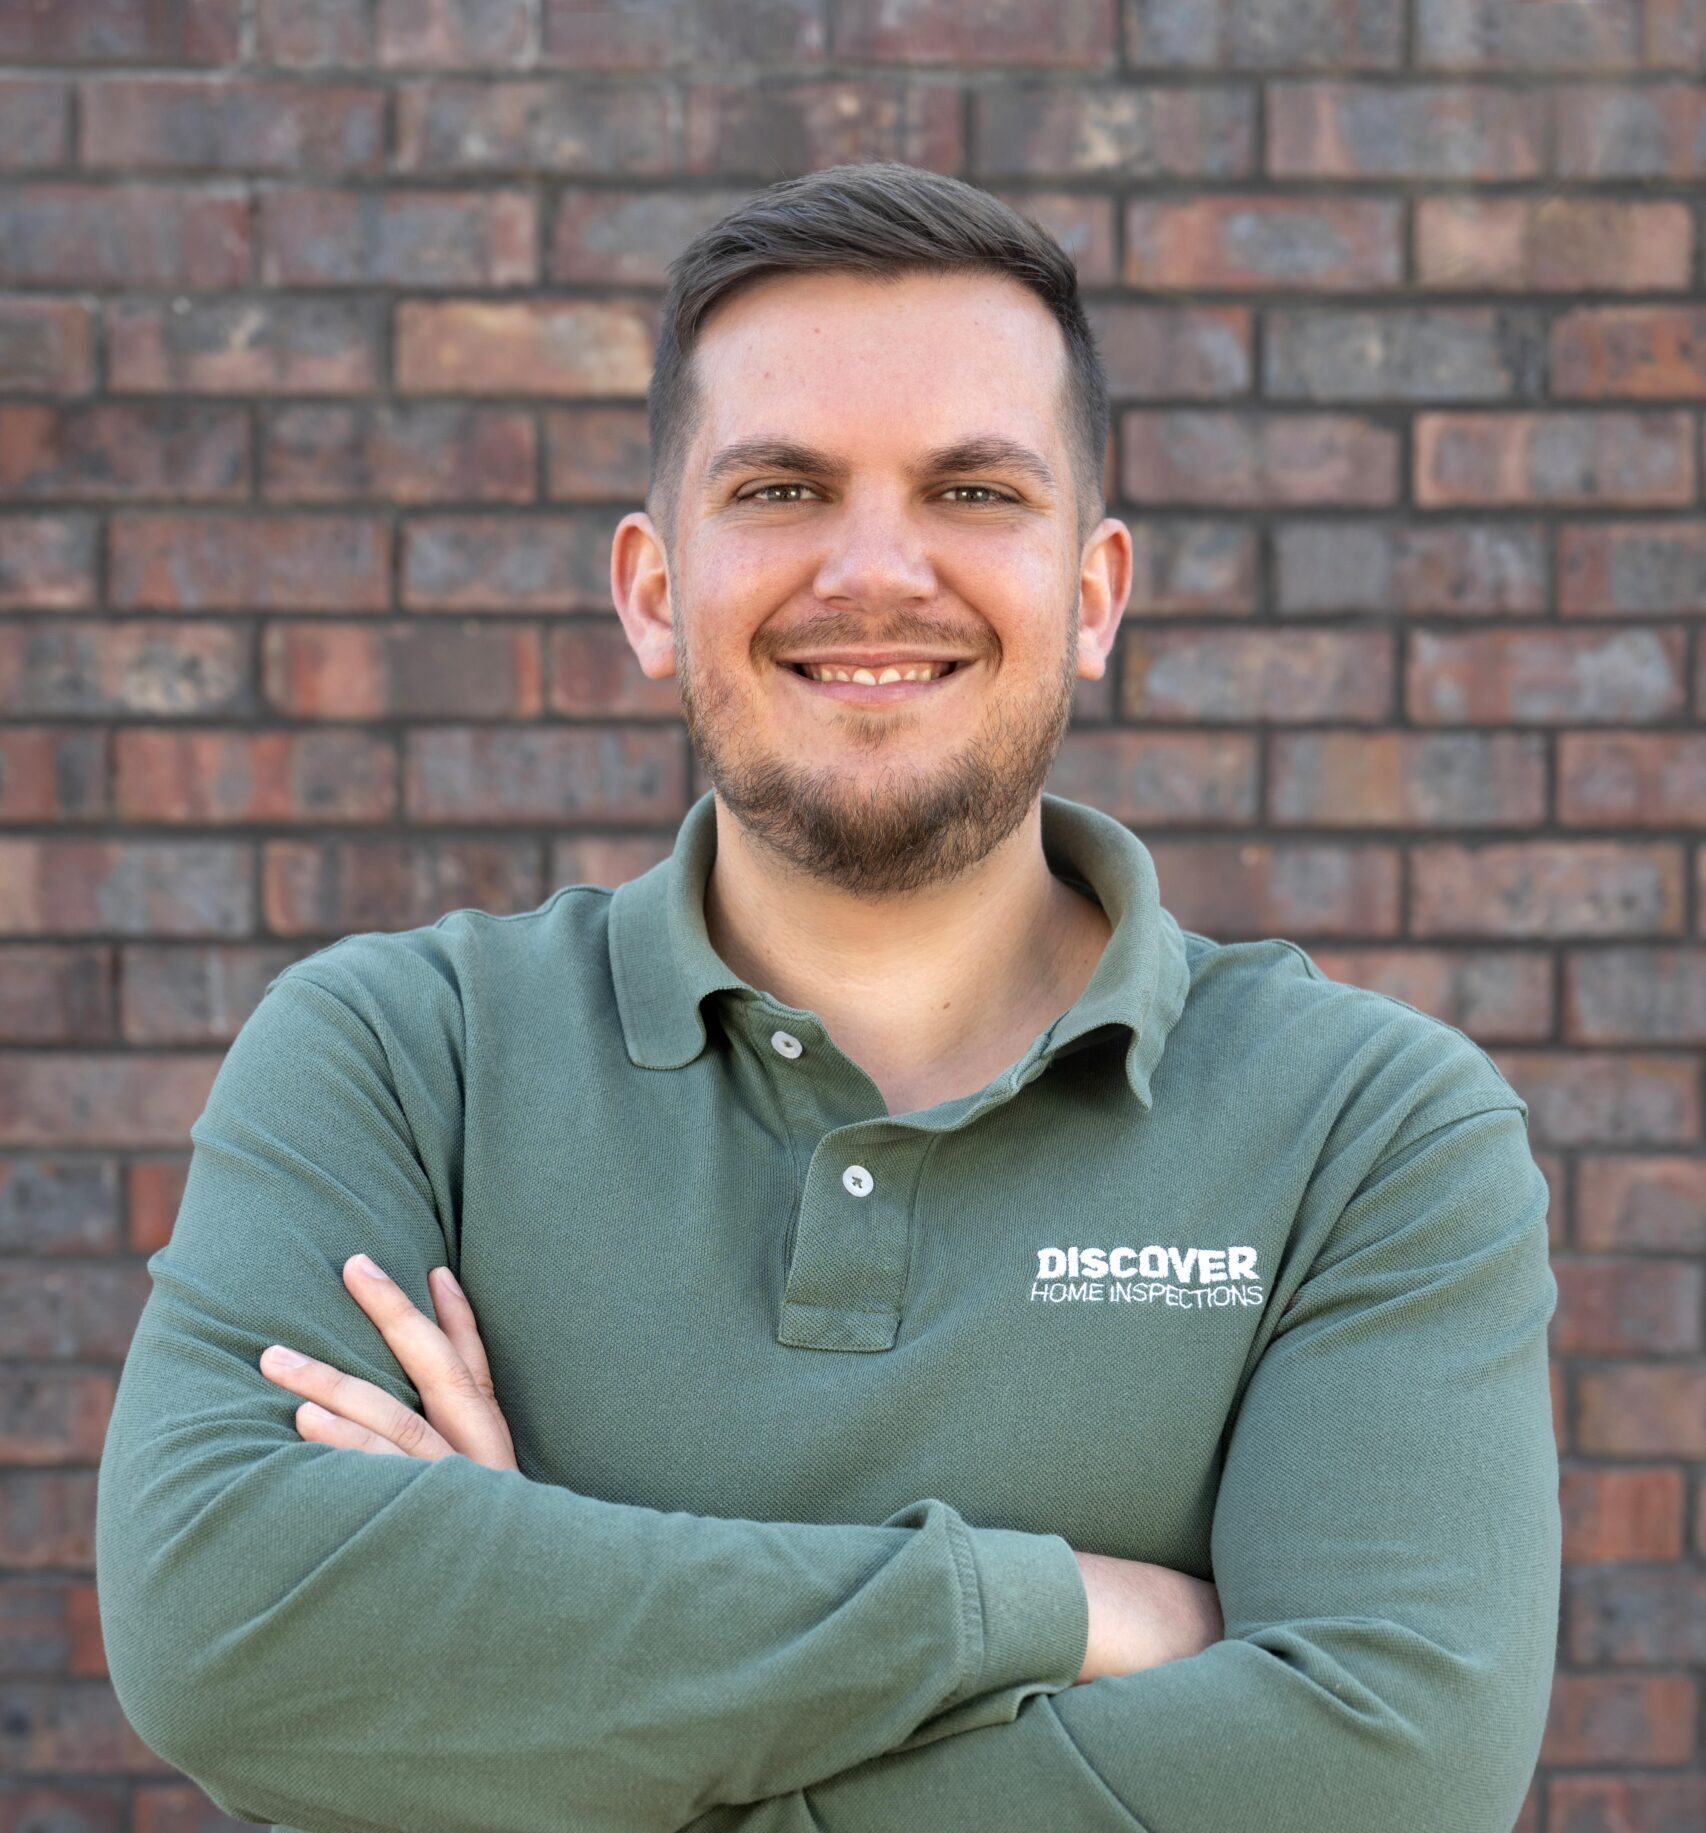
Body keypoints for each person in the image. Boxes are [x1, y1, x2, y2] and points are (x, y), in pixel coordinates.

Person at [95, 161, 1560, 1833]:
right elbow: (229, 1624)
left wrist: (540, 1692)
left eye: (973, 491)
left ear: (1089, 595)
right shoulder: (400, 1058)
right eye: (783, 488)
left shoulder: (1365, 1134)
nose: (875, 570)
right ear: (655, 589)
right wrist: (1049, 1612)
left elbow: (1385, 1767)